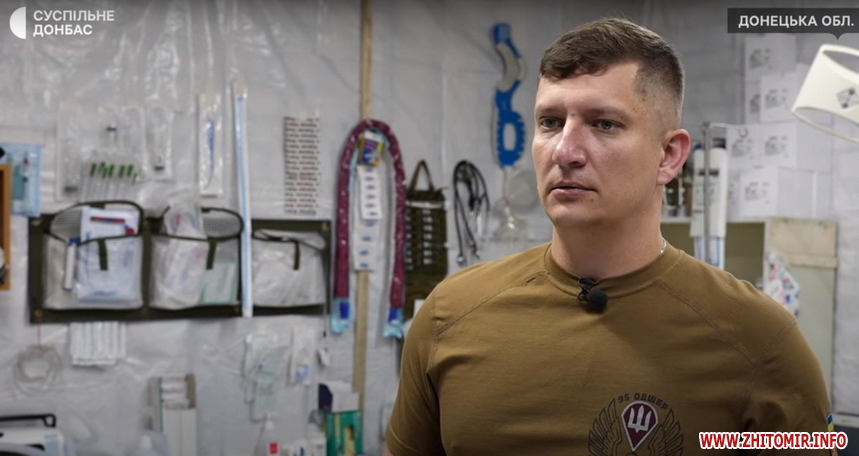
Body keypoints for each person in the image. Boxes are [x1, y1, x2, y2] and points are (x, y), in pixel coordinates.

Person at [383, 17, 834, 456]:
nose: (565, 151)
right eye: (550, 122)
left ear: (668, 155)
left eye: (604, 124)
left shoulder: (759, 341)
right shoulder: (449, 315)